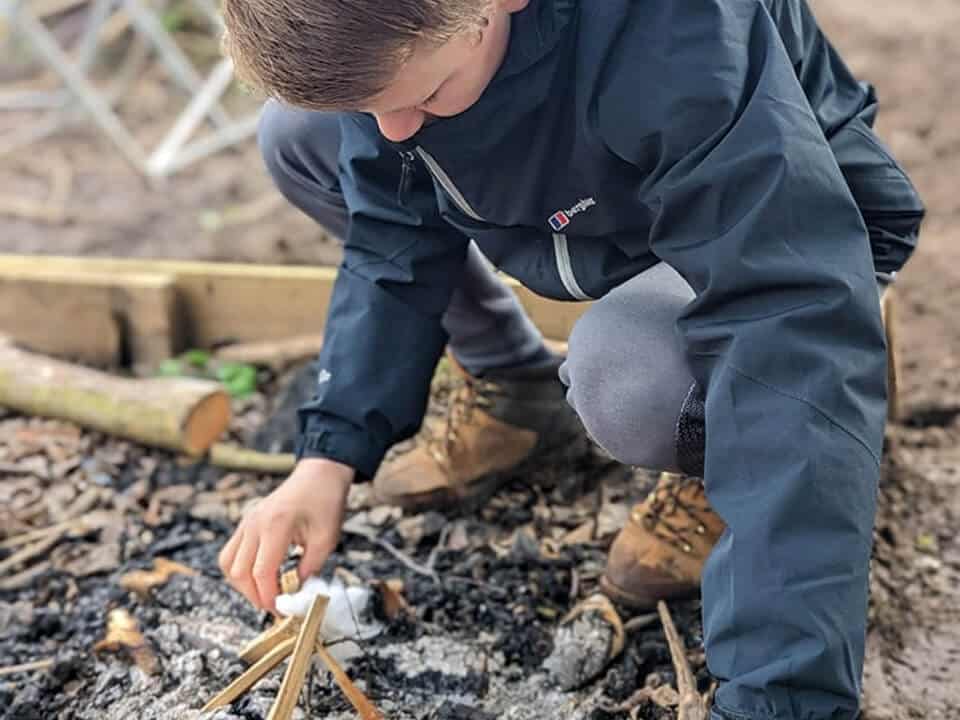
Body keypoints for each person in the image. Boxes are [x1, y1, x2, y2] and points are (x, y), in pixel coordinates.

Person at [215, 1, 925, 718]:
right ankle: (511, 388)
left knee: (628, 379)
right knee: (302, 132)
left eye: (426, 96)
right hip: (601, 205)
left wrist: (781, 700)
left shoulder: (675, 30)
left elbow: (785, 315)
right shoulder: (417, 57)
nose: (394, 130)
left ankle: (718, 469)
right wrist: (327, 456)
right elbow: (391, 228)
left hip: (788, 224)